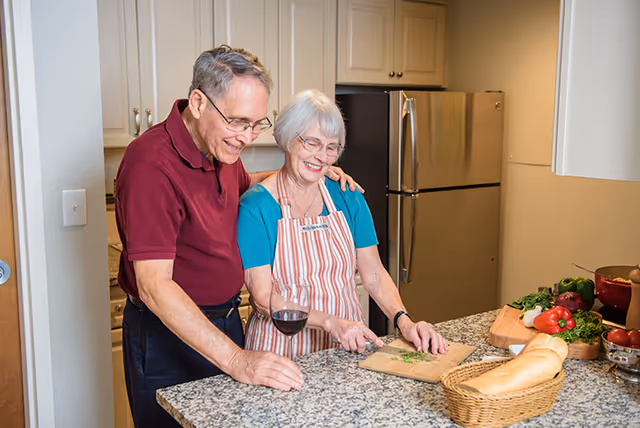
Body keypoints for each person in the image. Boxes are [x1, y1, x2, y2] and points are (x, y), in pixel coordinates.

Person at [115, 46, 359, 427]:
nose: (247, 137)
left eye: (257, 124)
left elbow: (248, 185)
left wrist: (310, 170)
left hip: (226, 323)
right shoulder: (150, 165)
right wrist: (237, 360)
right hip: (167, 336)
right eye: (238, 122)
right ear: (198, 102)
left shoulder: (220, 150)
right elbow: (154, 286)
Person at [237, 90, 449, 358]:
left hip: (345, 350)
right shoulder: (256, 207)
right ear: (287, 140)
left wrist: (404, 321)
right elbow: (263, 298)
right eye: (312, 143)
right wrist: (330, 323)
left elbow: (374, 275)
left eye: (331, 147)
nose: (322, 157)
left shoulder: (347, 195)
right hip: (279, 354)